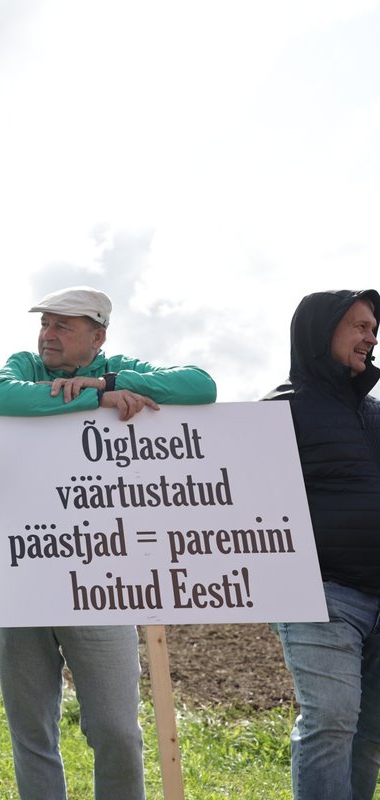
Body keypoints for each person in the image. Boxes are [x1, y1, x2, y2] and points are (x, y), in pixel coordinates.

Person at [0, 286, 216, 800]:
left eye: (63, 326)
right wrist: (96, 400)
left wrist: (109, 380)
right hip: (22, 565)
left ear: (98, 336)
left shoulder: (119, 365)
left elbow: (200, 386)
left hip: (99, 571)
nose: (48, 334)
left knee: (116, 728)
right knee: (31, 728)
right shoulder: (24, 365)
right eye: (46, 323)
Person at [267, 289, 380, 800]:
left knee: (369, 735)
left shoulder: (375, 414)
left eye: (373, 328)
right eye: (358, 325)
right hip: (321, 595)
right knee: (331, 722)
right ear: (321, 331)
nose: (371, 336)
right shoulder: (279, 411)